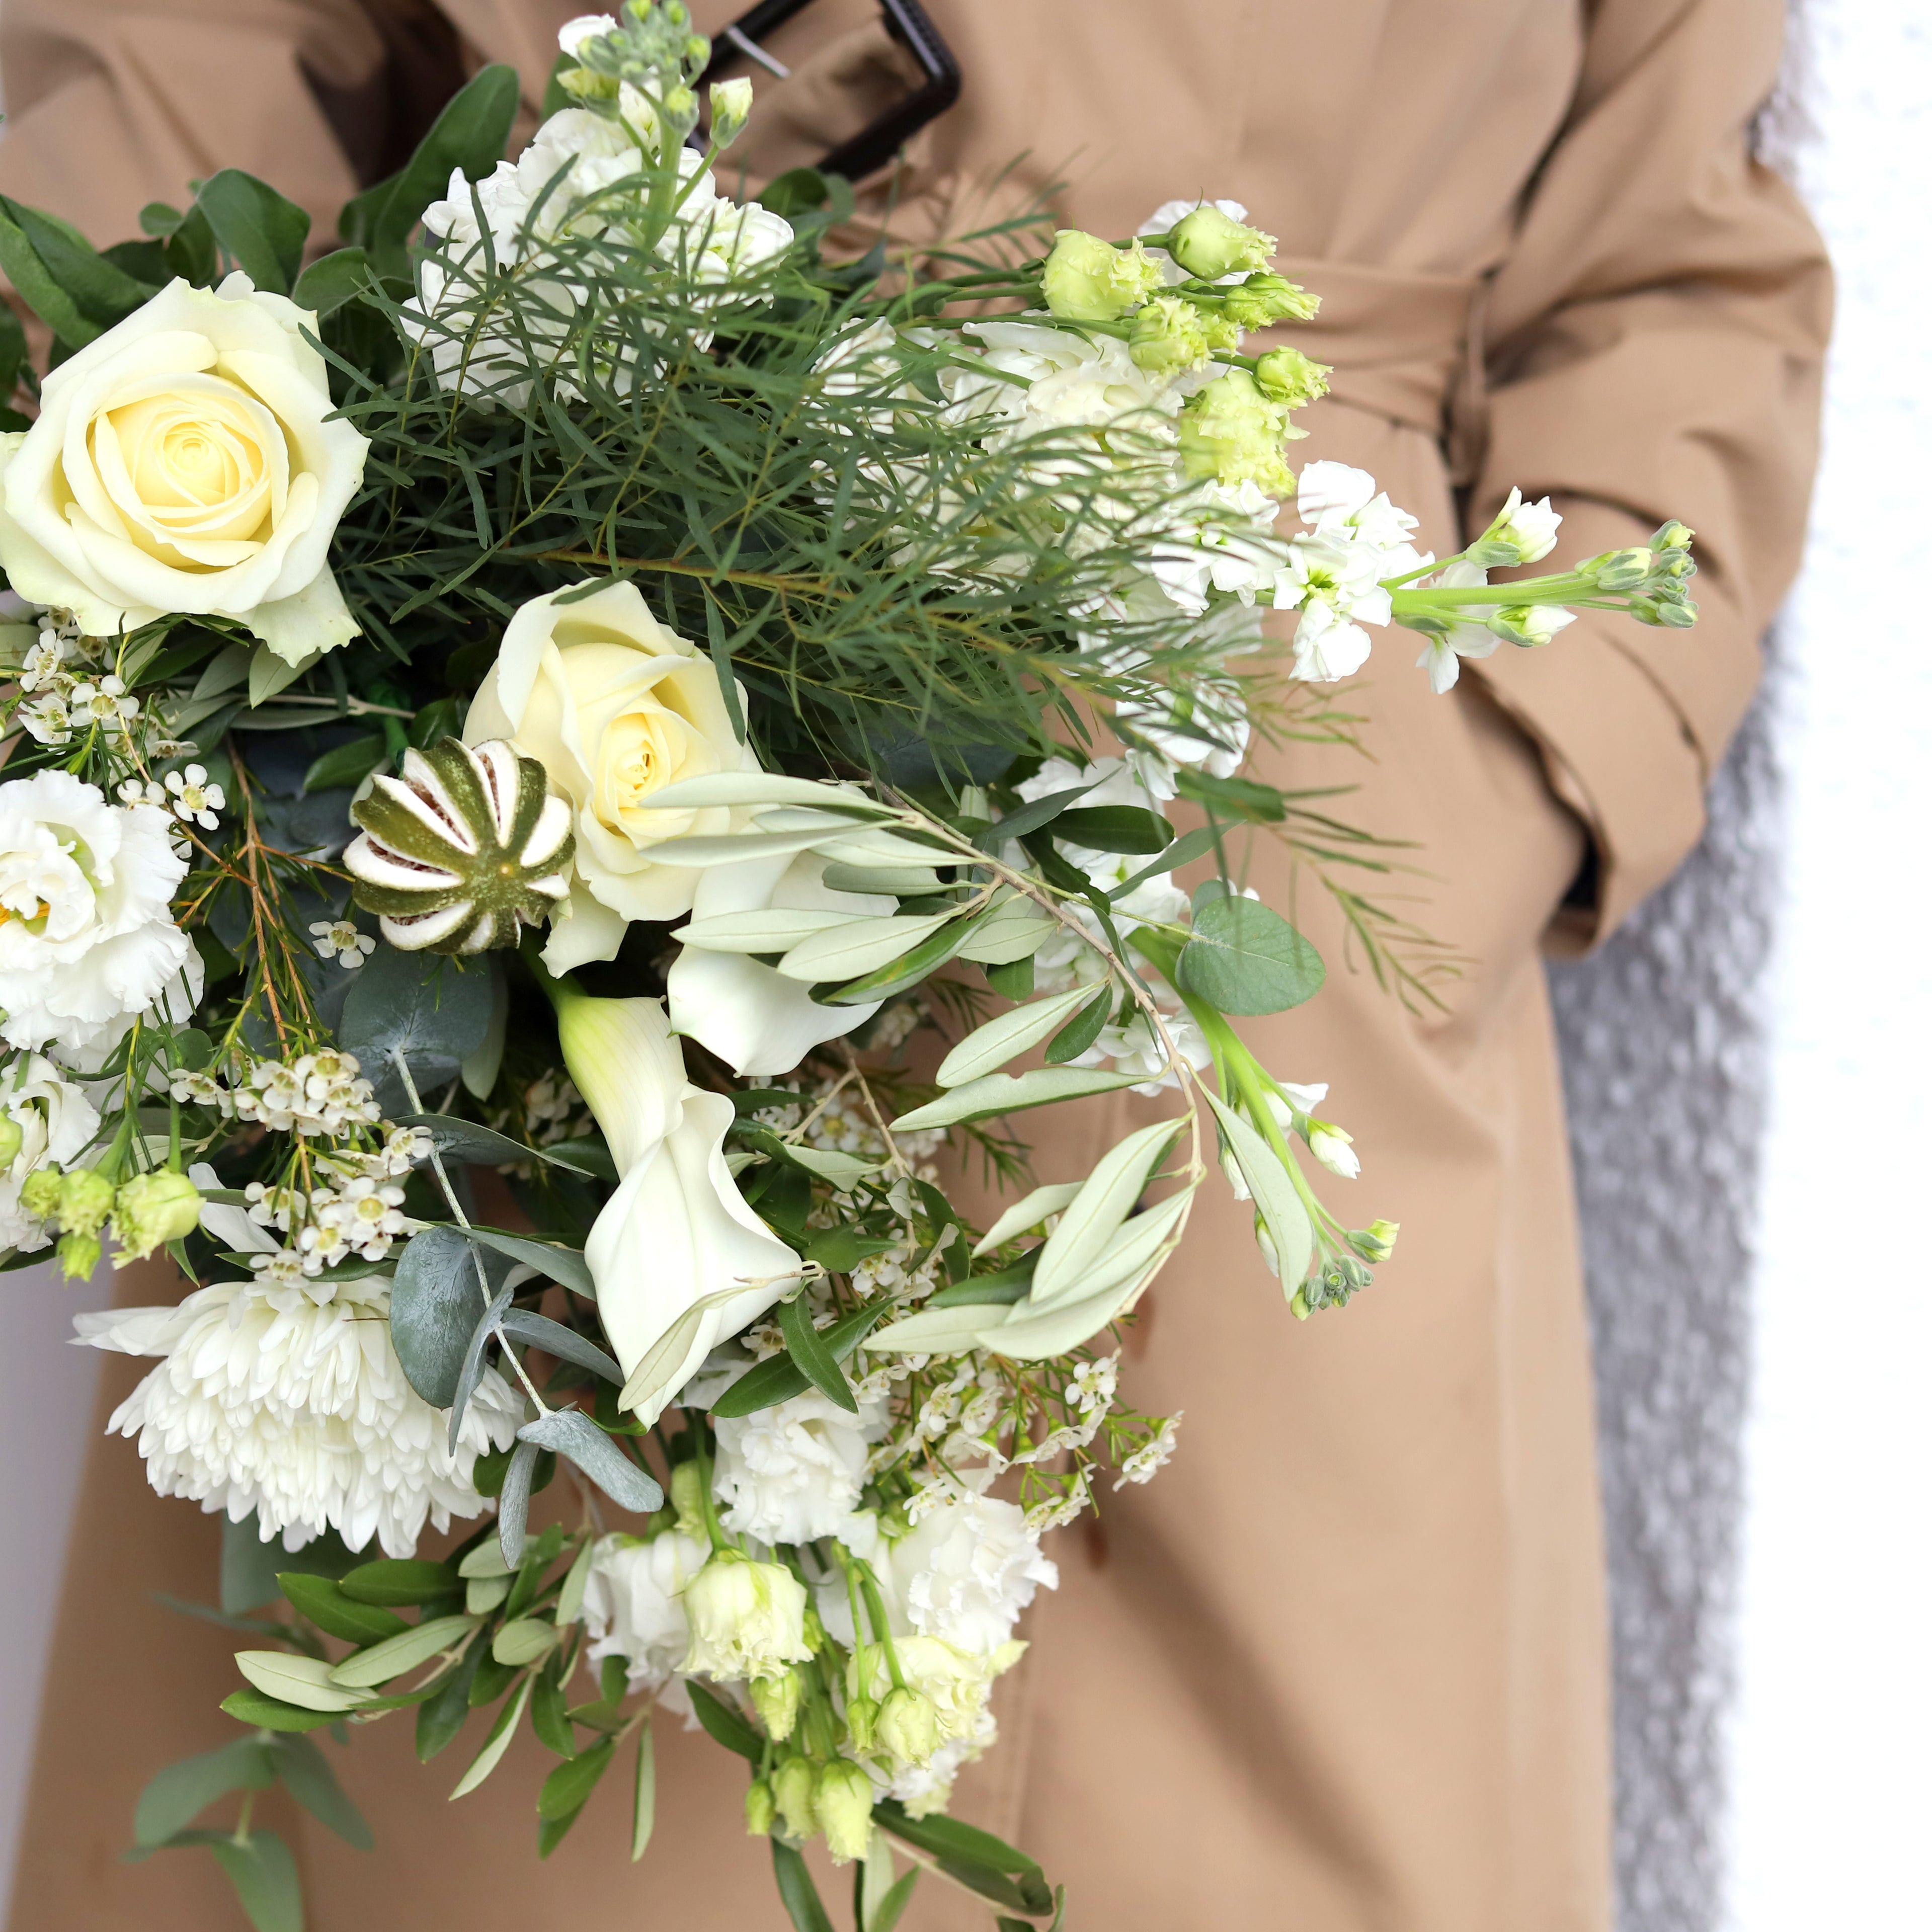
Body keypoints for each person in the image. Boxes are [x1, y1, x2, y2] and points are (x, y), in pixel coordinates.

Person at [0, 3, 1828, 1928]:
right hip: (548, 780)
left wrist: (1507, 784)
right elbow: (178, 61)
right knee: (523, 1741)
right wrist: (197, 599)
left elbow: (1680, 264)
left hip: (1265, 920)